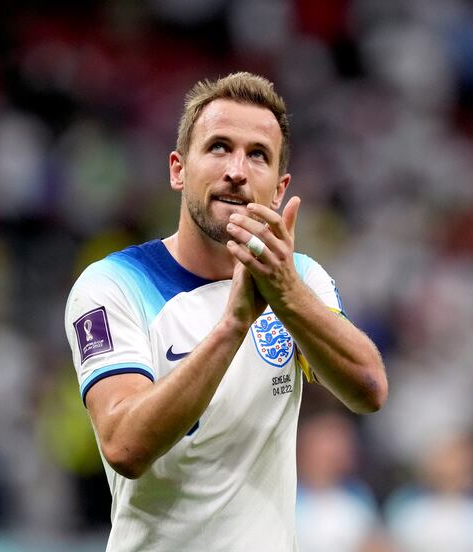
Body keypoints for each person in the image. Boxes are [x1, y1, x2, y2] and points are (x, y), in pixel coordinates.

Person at [64, 71, 388, 551]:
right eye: (219, 147)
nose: (237, 169)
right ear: (178, 169)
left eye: (257, 155)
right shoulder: (112, 285)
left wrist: (286, 295)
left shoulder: (299, 279)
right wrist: (234, 324)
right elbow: (125, 446)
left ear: (278, 189)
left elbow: (368, 389)